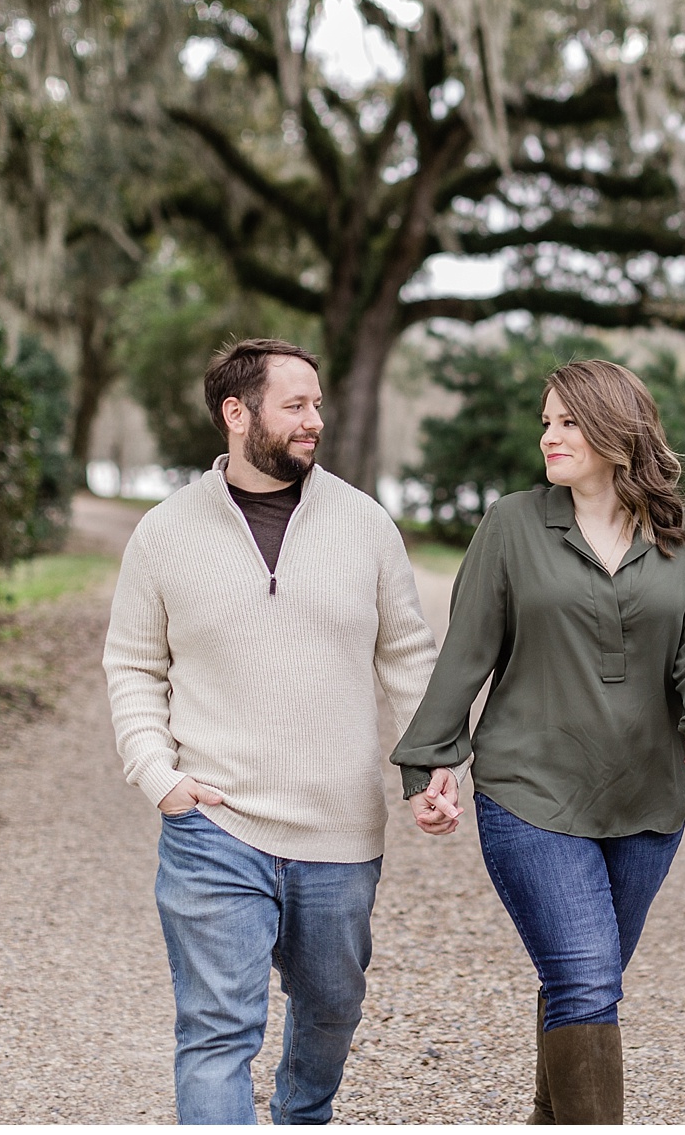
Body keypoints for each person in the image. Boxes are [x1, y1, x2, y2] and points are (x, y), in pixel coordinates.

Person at [390, 358, 685, 1124]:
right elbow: (467, 653)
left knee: (584, 980)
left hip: (649, 796)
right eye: (546, 421)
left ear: (617, 429)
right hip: (532, 790)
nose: (550, 436)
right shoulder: (513, 524)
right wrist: (431, 762)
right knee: (587, 974)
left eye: (567, 421)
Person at [104, 338, 437, 1124]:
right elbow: (133, 667)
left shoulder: (366, 524)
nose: (314, 420)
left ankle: (301, 1116)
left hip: (340, 832)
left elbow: (409, 658)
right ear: (236, 412)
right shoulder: (164, 532)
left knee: (330, 1012)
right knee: (217, 1031)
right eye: (296, 405)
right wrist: (159, 776)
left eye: (317, 403)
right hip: (213, 825)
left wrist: (429, 768)